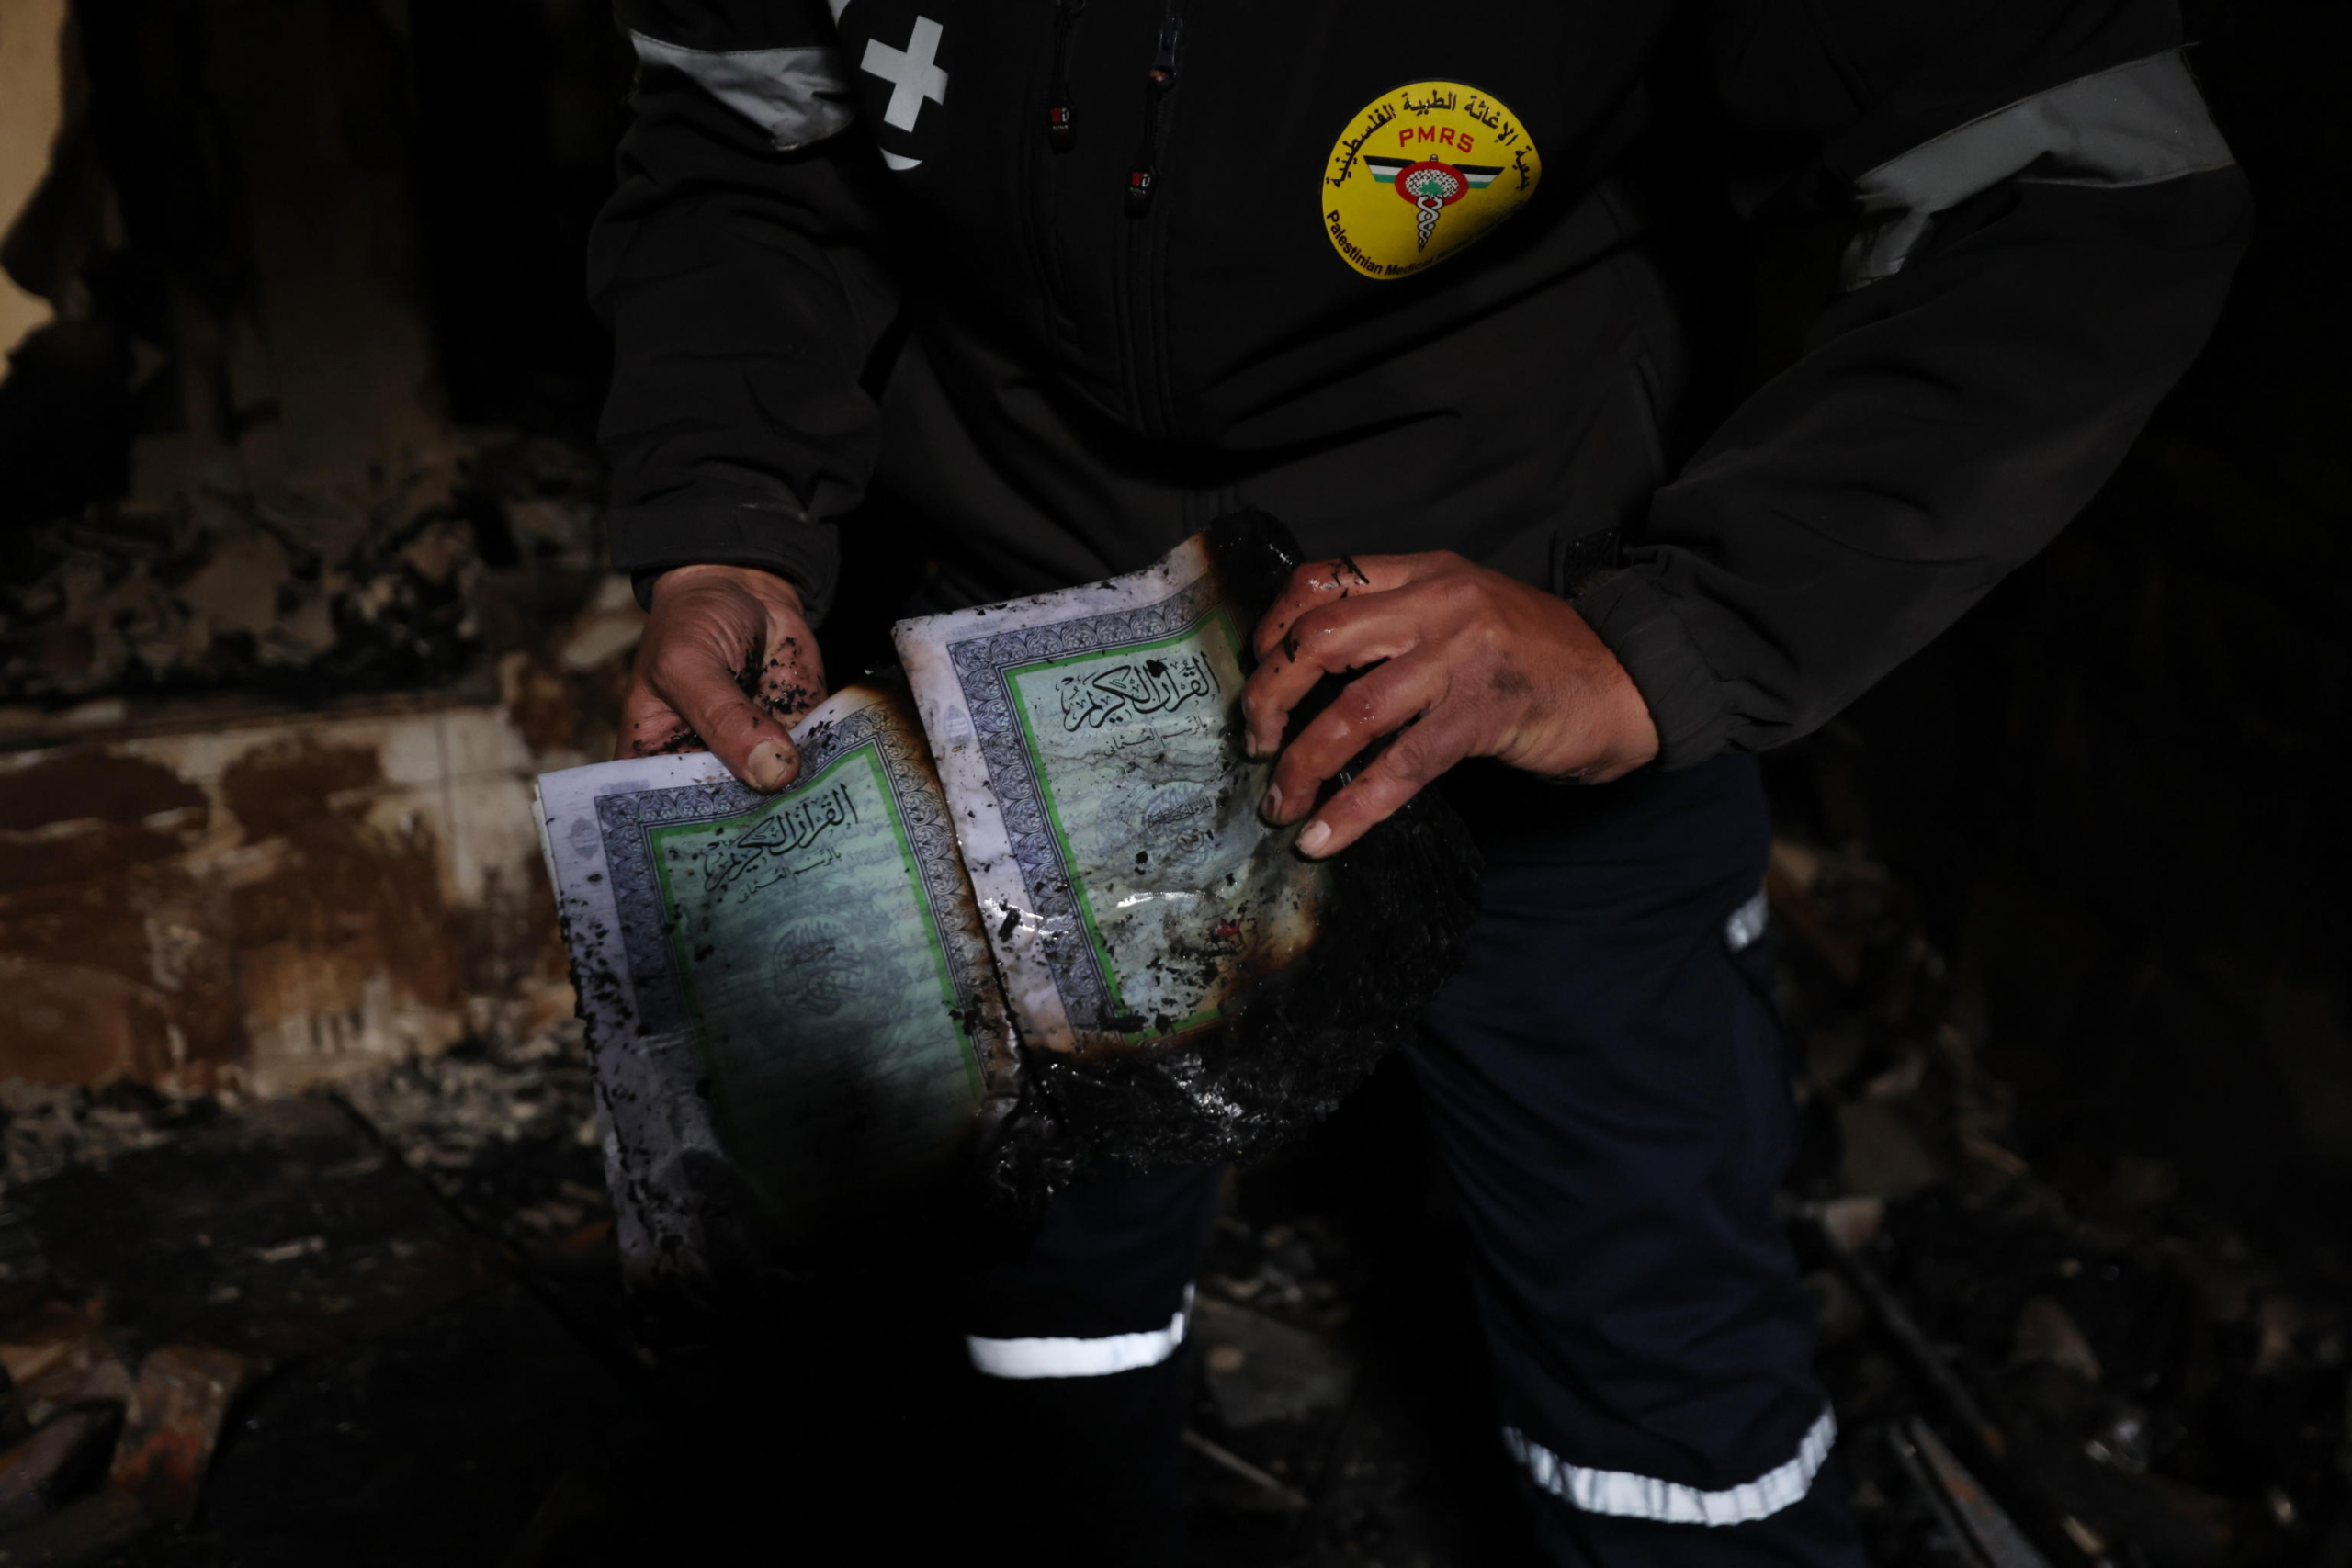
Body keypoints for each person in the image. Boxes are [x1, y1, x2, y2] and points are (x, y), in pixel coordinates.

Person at [589, 1, 2247, 1560]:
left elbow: (2082, 175)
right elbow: (748, 138)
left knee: (1657, 1380)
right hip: (1017, 652)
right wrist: (722, 508)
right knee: (1028, 1307)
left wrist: (1664, 641)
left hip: (1514, 653)